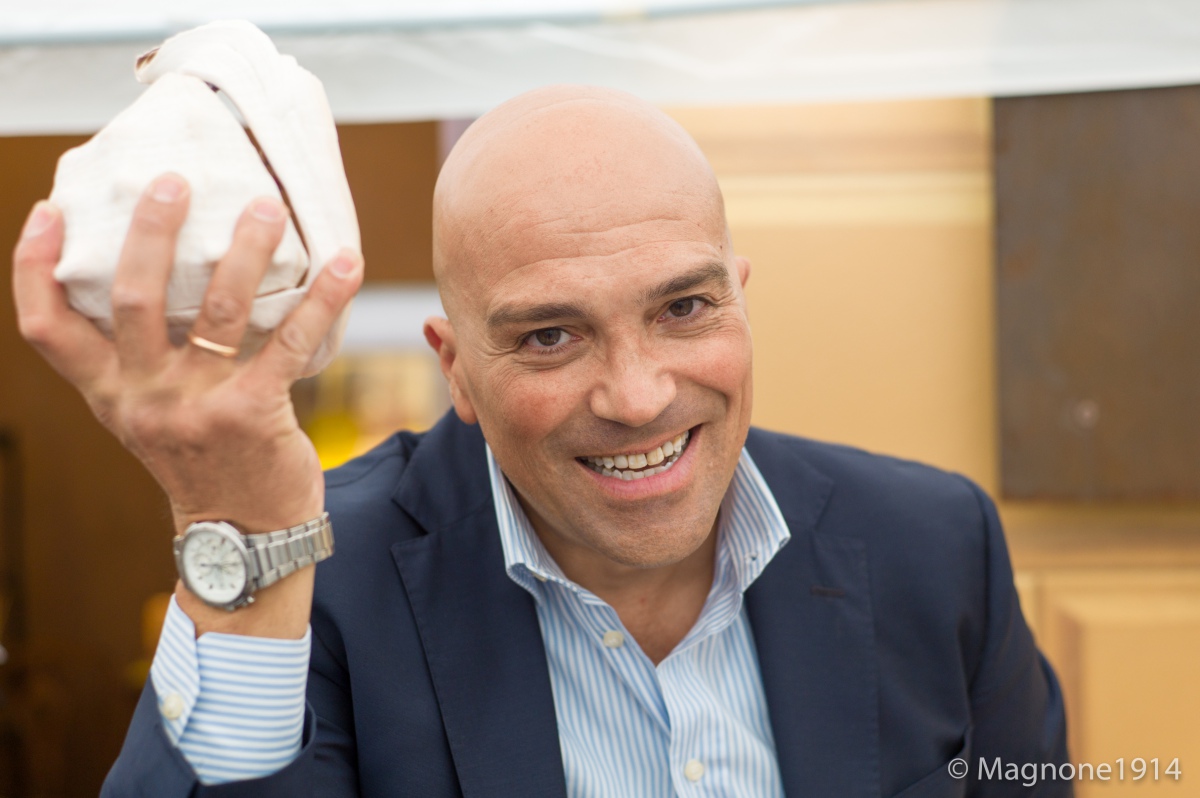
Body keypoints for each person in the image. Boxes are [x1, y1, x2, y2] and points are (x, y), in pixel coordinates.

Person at [12, 85, 1069, 797]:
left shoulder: (938, 547)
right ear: (456, 367)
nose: (639, 396)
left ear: (740, 299)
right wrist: (240, 530)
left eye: (684, 308)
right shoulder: (313, 581)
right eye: (549, 336)